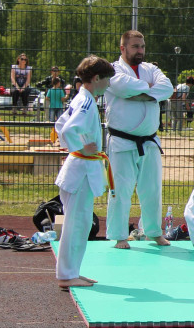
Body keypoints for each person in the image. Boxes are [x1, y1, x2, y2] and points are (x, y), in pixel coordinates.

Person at [104, 29, 175, 249]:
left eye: (142, 46)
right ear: (122, 48)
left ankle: (153, 232)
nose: (140, 51)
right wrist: (151, 91)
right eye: (135, 46)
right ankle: (119, 235)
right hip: (122, 141)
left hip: (150, 140)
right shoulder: (112, 70)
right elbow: (122, 87)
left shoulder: (150, 69)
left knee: (152, 190)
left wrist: (141, 93)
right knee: (120, 190)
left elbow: (168, 88)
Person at [53, 55, 116, 289]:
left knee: (79, 224)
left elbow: (60, 125)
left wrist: (75, 146)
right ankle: (67, 275)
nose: (108, 85)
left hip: (79, 170)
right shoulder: (86, 102)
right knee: (76, 225)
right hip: (80, 171)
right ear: (97, 78)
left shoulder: (83, 98)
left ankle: (72, 272)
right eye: (107, 80)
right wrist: (79, 147)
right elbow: (68, 128)